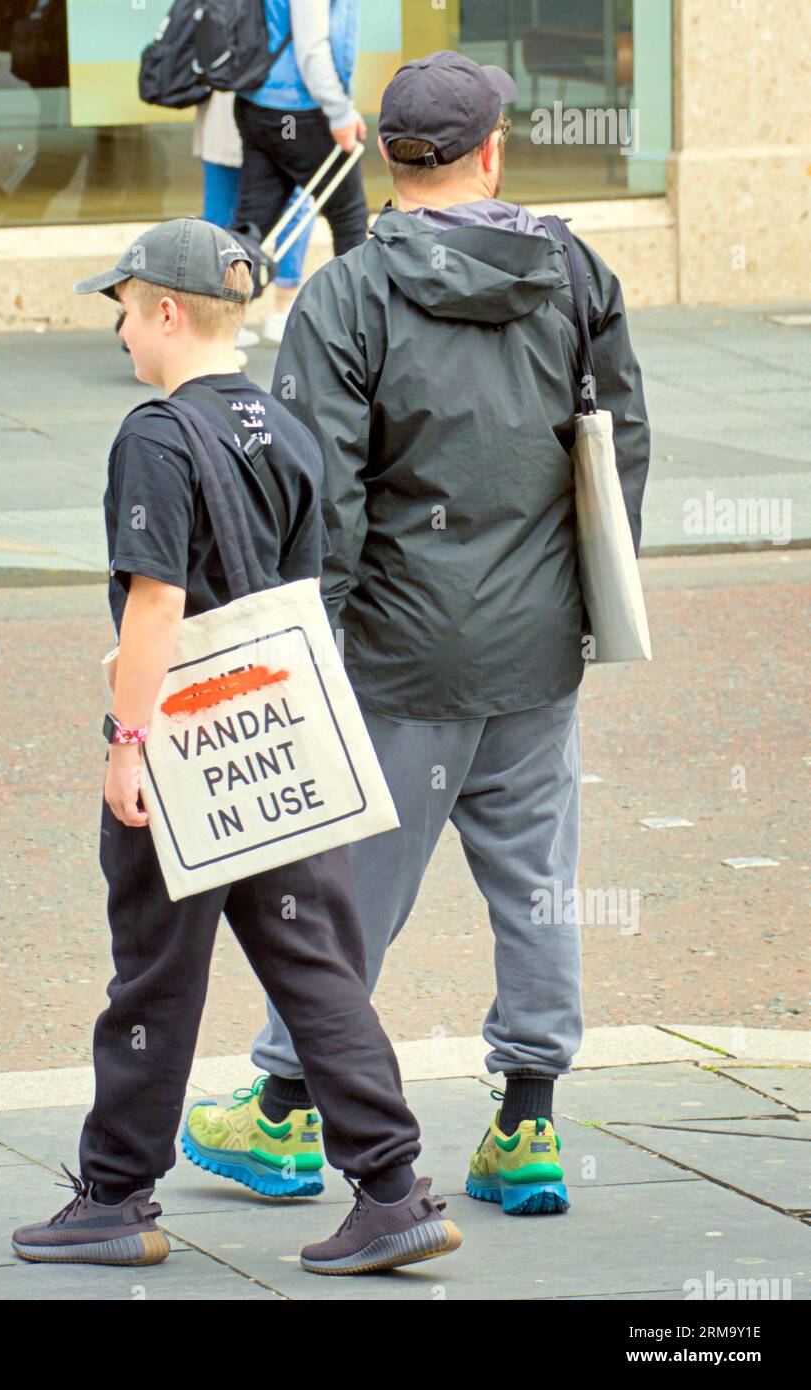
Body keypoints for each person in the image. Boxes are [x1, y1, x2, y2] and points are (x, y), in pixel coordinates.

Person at [189, 51, 651, 1217]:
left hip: (396, 654)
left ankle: (289, 1114)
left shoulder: (345, 297)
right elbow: (617, 446)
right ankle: (530, 1127)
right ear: (491, 151)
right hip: (537, 645)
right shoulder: (573, 268)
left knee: (347, 892)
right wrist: (585, 603)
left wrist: (312, 648)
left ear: (390, 158)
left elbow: (317, 499)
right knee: (539, 883)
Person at [9, 217, 461, 1276]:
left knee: (154, 977)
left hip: (185, 744)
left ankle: (116, 1195)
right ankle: (392, 1189)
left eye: (122, 309)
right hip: (279, 730)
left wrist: (129, 742)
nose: (120, 332)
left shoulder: (155, 436)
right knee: (316, 965)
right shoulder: (287, 427)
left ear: (167, 311)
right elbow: (305, 583)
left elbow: (157, 600)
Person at [231, 0, 367, 342]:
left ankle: (205, 325)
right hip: (298, 111)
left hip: (257, 103)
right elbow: (312, 48)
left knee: (252, 224)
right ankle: (362, 331)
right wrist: (339, 111)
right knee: (349, 219)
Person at [194, 88, 316, 345]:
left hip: (220, 120)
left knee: (220, 217)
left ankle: (218, 317)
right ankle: (283, 309)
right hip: (274, 120)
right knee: (296, 206)